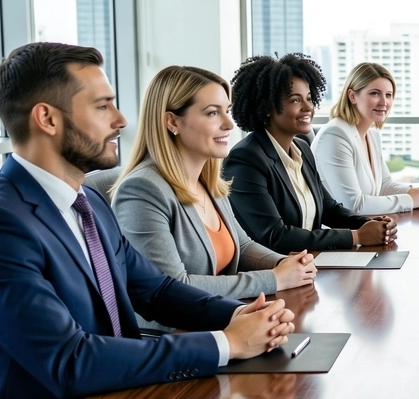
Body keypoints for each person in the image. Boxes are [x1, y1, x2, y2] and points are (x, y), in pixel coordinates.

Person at [0, 43, 295, 399]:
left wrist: (247, 316)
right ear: (48, 119)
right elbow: (71, 362)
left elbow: (156, 289)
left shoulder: (86, 205)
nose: (122, 120)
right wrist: (227, 343)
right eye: (103, 105)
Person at [113, 66, 317, 304]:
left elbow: (243, 244)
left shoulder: (209, 181)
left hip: (224, 317)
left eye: (227, 111)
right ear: (172, 122)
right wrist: (275, 278)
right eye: (212, 113)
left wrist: (284, 263)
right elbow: (174, 287)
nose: (229, 124)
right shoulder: (142, 191)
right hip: (178, 333)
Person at [222, 54, 397, 253]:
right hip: (273, 274)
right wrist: (356, 236)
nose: (308, 108)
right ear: (268, 106)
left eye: (309, 98)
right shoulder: (246, 159)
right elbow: (274, 236)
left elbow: (328, 208)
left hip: (309, 265)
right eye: (296, 100)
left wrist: (366, 222)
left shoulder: (302, 148)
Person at [312, 62, 419, 214]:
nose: (384, 102)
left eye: (388, 95)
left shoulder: (371, 134)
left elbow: (384, 185)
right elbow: (353, 206)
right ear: (352, 96)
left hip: (367, 227)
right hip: (343, 233)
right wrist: (411, 200)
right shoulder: (335, 135)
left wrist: (415, 191)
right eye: (375, 93)